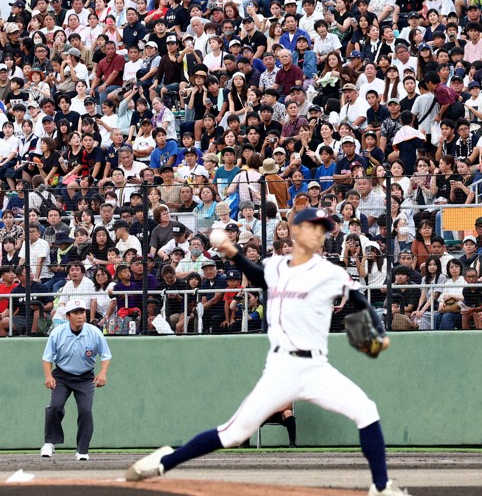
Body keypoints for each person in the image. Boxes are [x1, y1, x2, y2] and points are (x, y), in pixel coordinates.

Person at [125, 208, 409, 496]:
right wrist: (232, 252)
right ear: (297, 232)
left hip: (317, 368)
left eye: (322, 228)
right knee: (234, 434)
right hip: (281, 367)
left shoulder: (330, 272)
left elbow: (360, 301)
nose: (319, 233)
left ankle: (381, 486)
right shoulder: (277, 265)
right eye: (313, 227)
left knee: (366, 410)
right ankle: (164, 462)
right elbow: (259, 276)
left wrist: (378, 331)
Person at [40, 299, 112, 461]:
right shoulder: (58, 333)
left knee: (85, 411)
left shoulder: (94, 332)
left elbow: (106, 355)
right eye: (75, 313)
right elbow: (47, 357)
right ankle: (49, 443)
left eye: (82, 312)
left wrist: (103, 373)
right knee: (55, 406)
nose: (80, 316)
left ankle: (82, 450)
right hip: (62, 375)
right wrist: (48, 376)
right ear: (68, 316)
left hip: (85, 377)